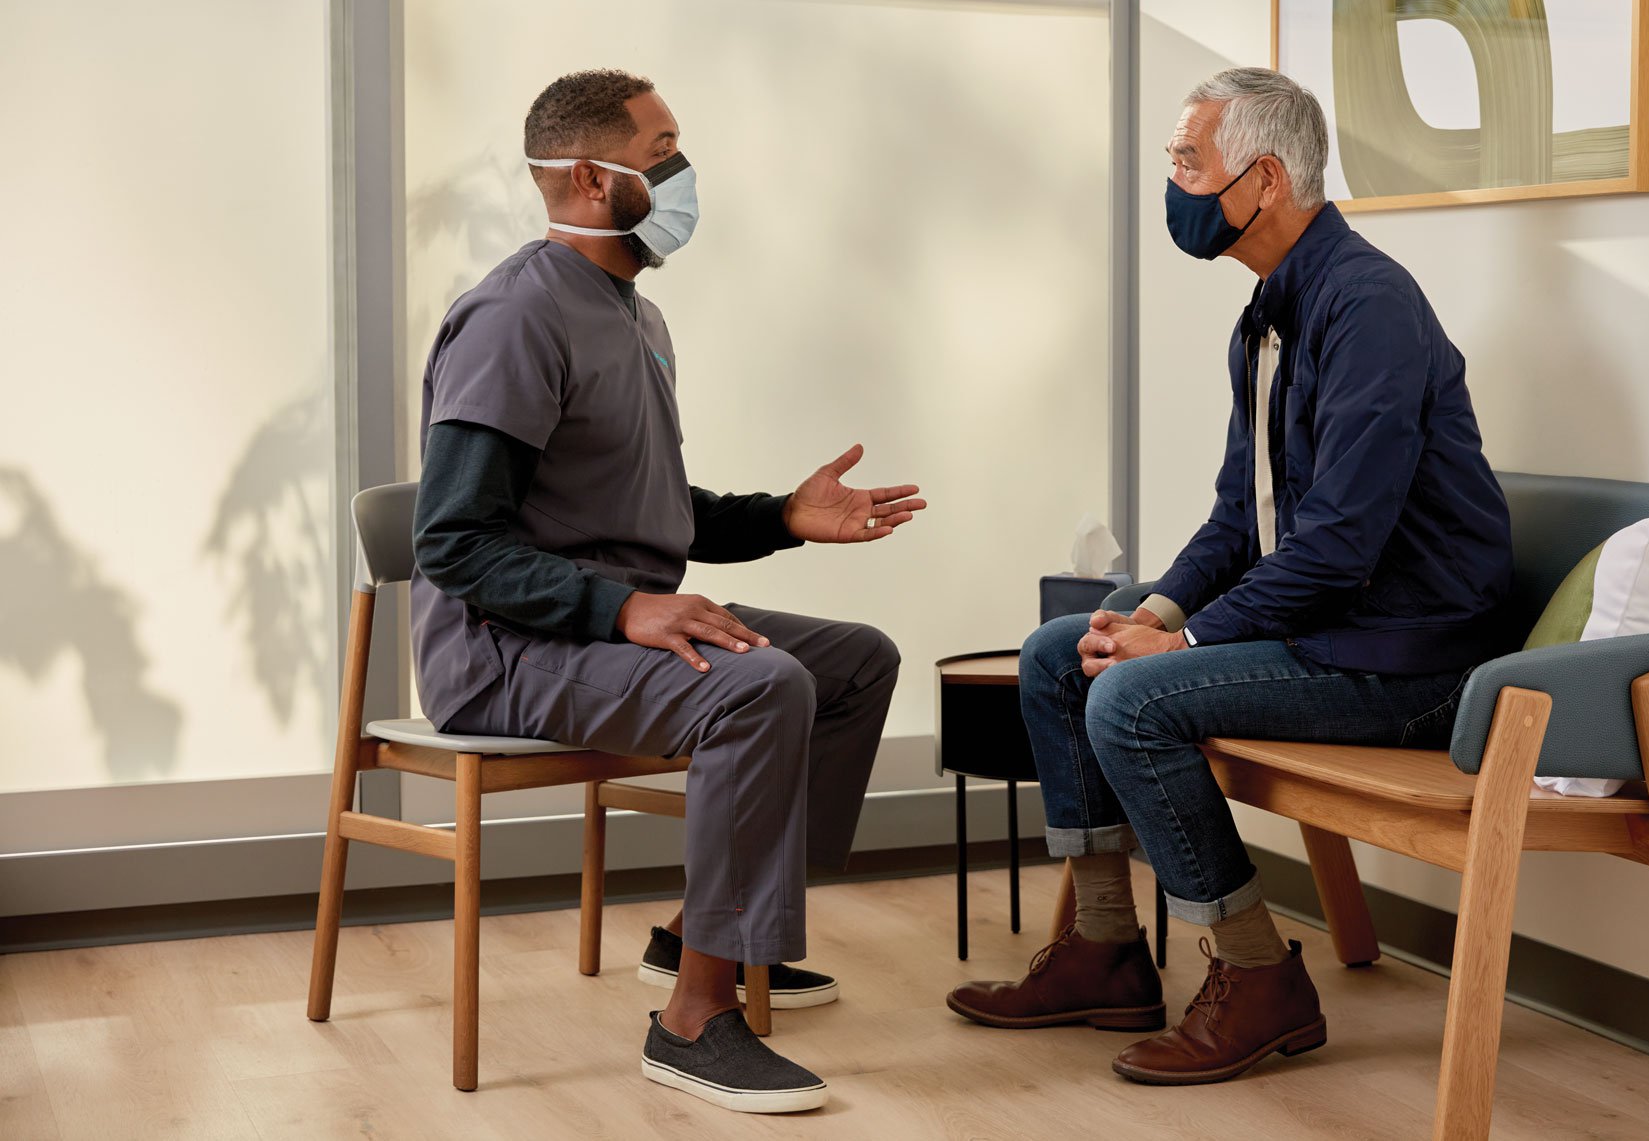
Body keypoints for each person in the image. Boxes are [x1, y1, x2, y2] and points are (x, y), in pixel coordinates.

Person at [948, 67, 1512, 1086]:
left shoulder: (1367, 307)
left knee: (1125, 699)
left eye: (1184, 160)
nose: (1171, 179)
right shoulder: (1266, 317)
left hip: (1403, 658)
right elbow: (1233, 522)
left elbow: (1337, 541)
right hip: (1325, 629)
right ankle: (1105, 951)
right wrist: (1150, 611)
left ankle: (1257, 978)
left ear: (1260, 179)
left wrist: (1182, 644)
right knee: (1054, 654)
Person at [411, 68, 925, 1114]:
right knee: (759, 686)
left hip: (605, 632)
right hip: (504, 648)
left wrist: (785, 514)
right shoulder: (515, 317)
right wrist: (620, 608)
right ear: (595, 181)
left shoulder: (634, 315)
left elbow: (650, 509)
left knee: (853, 661)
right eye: (664, 152)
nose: (684, 172)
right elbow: (453, 539)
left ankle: (717, 931)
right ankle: (694, 1016)